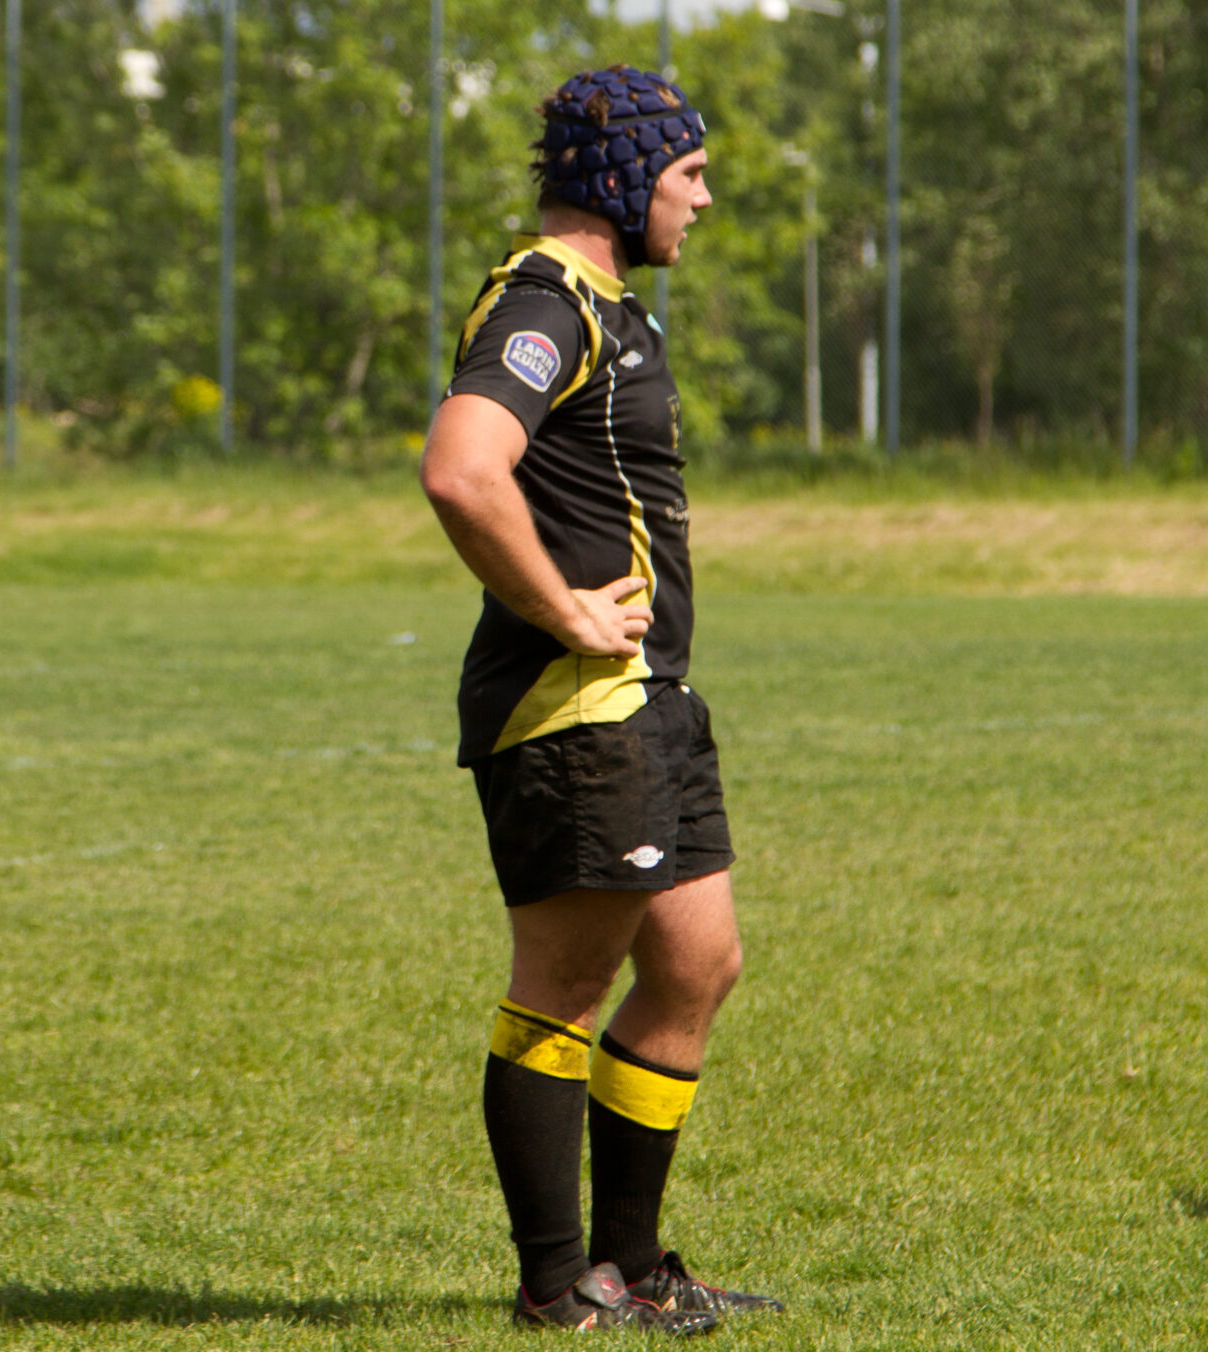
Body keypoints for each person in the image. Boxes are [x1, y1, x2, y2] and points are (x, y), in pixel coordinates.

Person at [418, 67, 776, 1336]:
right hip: (572, 703)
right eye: (689, 175)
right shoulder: (542, 301)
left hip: (652, 700)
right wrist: (564, 609)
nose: (706, 198)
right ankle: (553, 1283)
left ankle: (631, 1265)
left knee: (696, 963)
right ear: (625, 180)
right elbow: (462, 470)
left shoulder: (619, 311)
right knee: (562, 985)